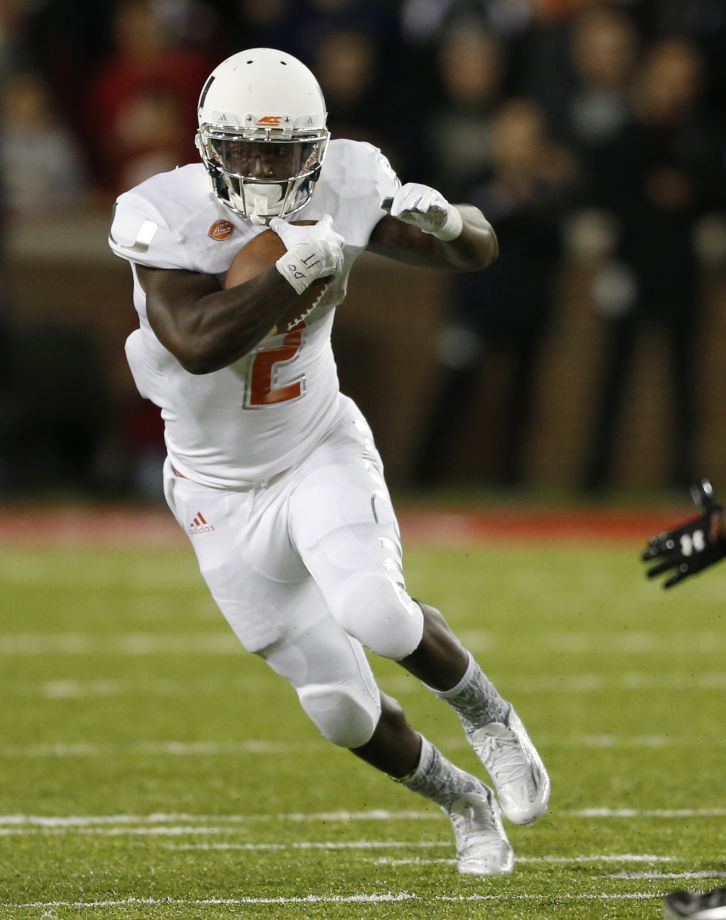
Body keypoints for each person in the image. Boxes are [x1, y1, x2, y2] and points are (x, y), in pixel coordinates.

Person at [108, 47, 550, 876]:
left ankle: (491, 717)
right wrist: (292, 270)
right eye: (244, 150)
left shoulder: (346, 180)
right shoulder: (158, 212)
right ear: (209, 145)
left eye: (282, 152)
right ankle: (464, 802)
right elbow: (198, 344)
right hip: (215, 493)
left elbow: (477, 252)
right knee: (340, 711)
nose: (265, 170)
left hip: (315, 447)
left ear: (316, 144)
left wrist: (452, 222)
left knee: (375, 611)